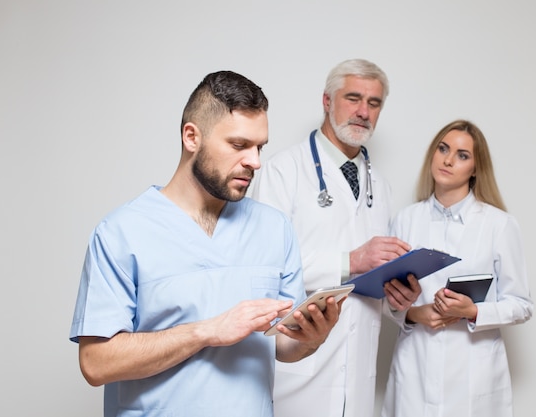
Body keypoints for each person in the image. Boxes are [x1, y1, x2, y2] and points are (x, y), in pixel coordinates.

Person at [69, 70, 344, 417]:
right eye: (239, 145)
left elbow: (284, 345)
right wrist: (207, 331)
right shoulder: (121, 232)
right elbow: (96, 363)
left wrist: (313, 336)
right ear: (191, 137)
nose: (255, 161)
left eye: (260, 147)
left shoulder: (275, 229)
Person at [251, 58, 421, 417]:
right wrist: (350, 262)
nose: (363, 111)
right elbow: (262, 268)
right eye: (353, 98)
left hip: (358, 375)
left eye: (374, 103)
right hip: (298, 372)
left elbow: (377, 278)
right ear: (327, 102)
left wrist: (398, 300)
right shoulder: (283, 172)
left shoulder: (383, 188)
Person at [381, 119, 534, 417]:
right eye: (443, 149)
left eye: (462, 155)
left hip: (473, 372)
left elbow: (522, 305)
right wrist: (413, 314)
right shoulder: (405, 220)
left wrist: (473, 311)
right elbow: (385, 297)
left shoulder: (499, 225)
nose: (448, 160)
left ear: (476, 168)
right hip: (415, 366)